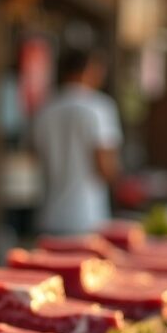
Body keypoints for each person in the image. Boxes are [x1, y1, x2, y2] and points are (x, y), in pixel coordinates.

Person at [31, 47, 121, 235]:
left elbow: (34, 158)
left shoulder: (44, 109)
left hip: (47, 216)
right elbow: (106, 167)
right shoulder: (99, 107)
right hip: (87, 218)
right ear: (90, 69)